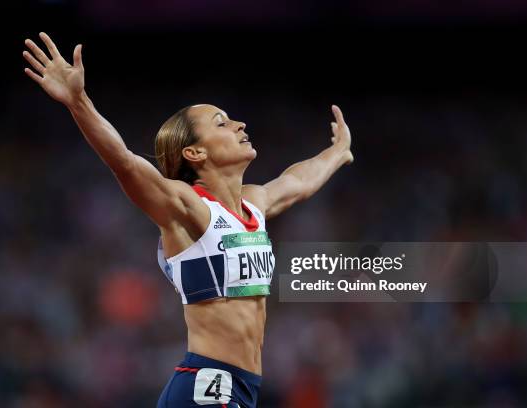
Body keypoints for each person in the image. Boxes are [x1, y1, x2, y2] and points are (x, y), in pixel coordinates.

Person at [23, 32, 353, 408]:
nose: (239, 124)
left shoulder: (253, 204)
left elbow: (297, 182)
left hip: (241, 385)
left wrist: (337, 152)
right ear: (194, 152)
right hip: (208, 386)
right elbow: (125, 162)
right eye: (221, 123)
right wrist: (78, 102)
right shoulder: (187, 208)